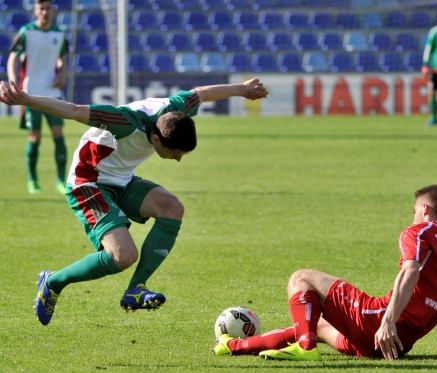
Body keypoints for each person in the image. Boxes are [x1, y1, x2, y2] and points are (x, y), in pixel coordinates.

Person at [0, 78, 268, 326]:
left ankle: (135, 290)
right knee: (123, 256)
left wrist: (242, 89)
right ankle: (54, 281)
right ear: (155, 138)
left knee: (172, 207)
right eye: (174, 154)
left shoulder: (174, 110)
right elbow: (73, 110)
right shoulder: (125, 122)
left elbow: (199, 94)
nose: (178, 160)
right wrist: (26, 100)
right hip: (88, 183)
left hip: (121, 180)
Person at [213, 185, 437, 360]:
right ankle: (233, 346)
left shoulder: (420, 231)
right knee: (317, 326)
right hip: (397, 345)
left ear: (424, 208)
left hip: (379, 327)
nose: (412, 216)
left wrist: (387, 321)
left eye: (414, 210)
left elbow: (410, 272)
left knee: (301, 278)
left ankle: (304, 348)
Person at [7, 0, 69, 194]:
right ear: (35, 11)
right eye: (41, 8)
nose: (44, 11)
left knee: (58, 133)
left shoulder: (59, 34)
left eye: (48, 8)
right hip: (30, 92)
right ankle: (33, 180)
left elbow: (62, 59)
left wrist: (62, 75)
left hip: (53, 92)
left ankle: (61, 180)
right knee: (35, 137)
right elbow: (13, 58)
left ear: (53, 10)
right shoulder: (26, 32)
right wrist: (13, 80)